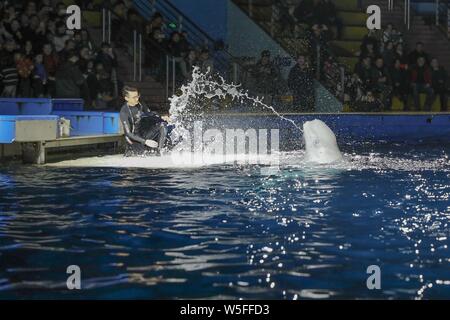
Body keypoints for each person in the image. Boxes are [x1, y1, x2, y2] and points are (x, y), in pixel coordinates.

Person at [119, 86, 171, 156]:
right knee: (142, 153)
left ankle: (159, 151)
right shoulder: (124, 112)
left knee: (162, 125)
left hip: (144, 134)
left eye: (137, 96)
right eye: (134, 97)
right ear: (126, 98)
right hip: (134, 139)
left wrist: (162, 117)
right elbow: (128, 133)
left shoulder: (140, 104)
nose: (137, 99)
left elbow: (150, 113)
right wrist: (145, 141)